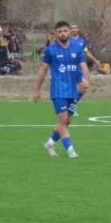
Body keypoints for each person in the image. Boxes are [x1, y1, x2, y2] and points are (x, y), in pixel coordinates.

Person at [32, 20, 89, 159]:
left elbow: (83, 65)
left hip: (73, 89)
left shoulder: (77, 47)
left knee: (67, 121)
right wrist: (36, 90)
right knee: (63, 119)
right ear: (56, 33)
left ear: (69, 31)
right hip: (58, 89)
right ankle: (70, 150)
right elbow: (43, 70)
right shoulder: (51, 50)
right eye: (59, 32)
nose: (62, 34)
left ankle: (50, 143)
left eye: (65, 31)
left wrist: (86, 80)